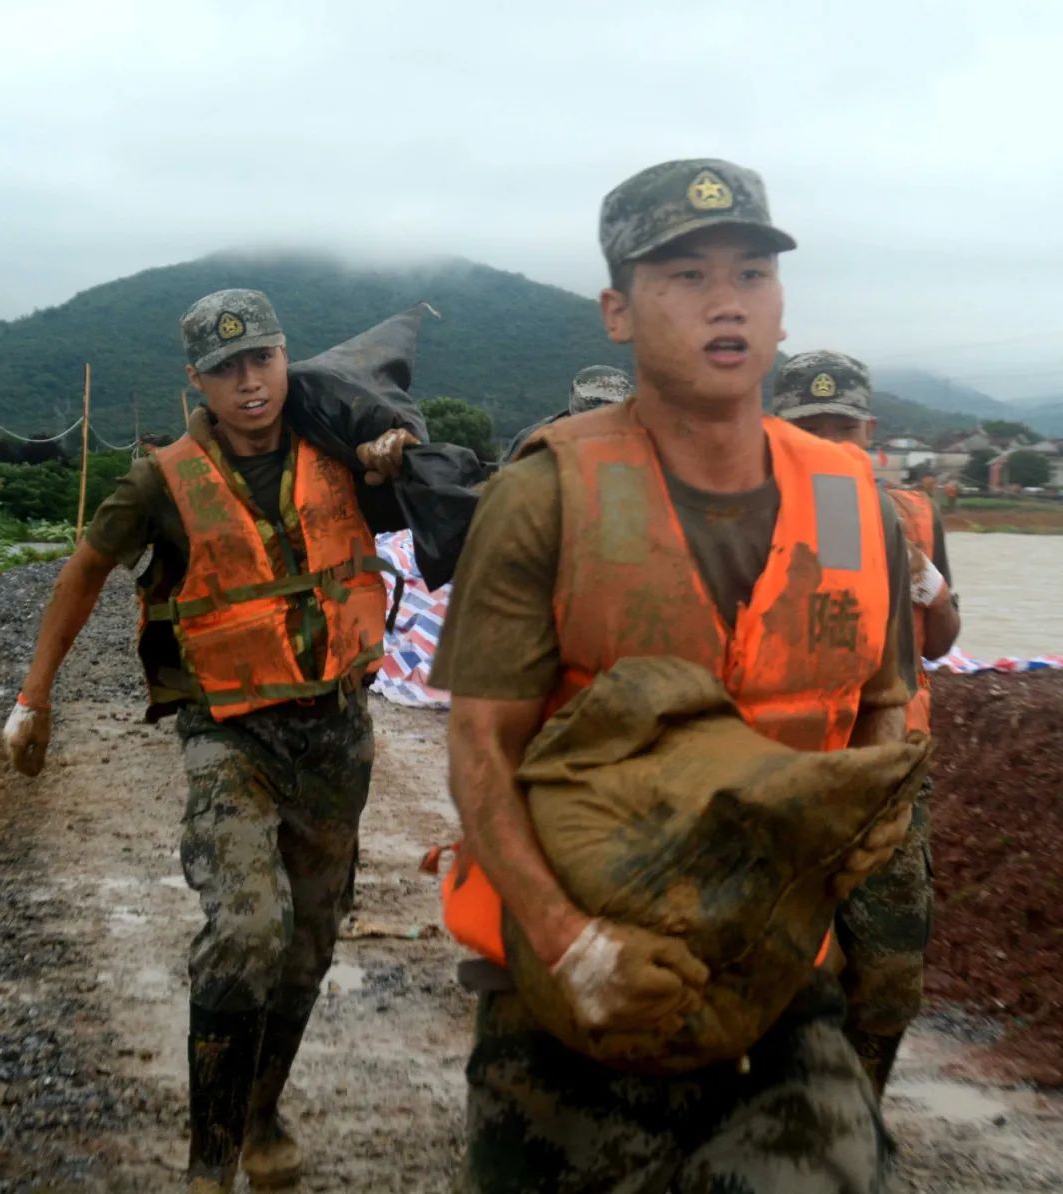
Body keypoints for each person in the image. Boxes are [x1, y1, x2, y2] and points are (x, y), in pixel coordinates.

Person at [430, 159, 921, 1192]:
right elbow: (480, 750)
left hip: (782, 975)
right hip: (573, 982)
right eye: (685, 276)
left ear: (781, 309)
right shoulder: (543, 497)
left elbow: (884, 705)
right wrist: (572, 947)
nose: (725, 301)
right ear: (618, 311)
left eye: (750, 273)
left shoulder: (856, 504)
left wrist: (871, 800)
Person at [2, 289, 423, 1194]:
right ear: (197, 380)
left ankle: (261, 1114)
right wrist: (34, 699)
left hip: (336, 734)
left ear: (286, 360)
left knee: (309, 942)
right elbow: (83, 572)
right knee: (246, 930)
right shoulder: (161, 479)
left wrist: (395, 453)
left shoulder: (339, 449)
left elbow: (426, 485)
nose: (250, 382)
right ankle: (208, 1166)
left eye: (262, 360)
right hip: (228, 735)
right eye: (226, 369)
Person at [774, 350, 960, 1094]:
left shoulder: (913, 510)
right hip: (781, 769)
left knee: (888, 969)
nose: (829, 442)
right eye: (808, 427)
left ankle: (859, 1113)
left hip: (890, 778)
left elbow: (941, 642)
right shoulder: (743, 512)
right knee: (769, 960)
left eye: (842, 426)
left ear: (869, 429)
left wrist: (925, 578)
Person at [501, 363, 632, 461]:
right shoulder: (536, 439)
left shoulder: (637, 441)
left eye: (611, 404)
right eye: (595, 402)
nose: (602, 410)